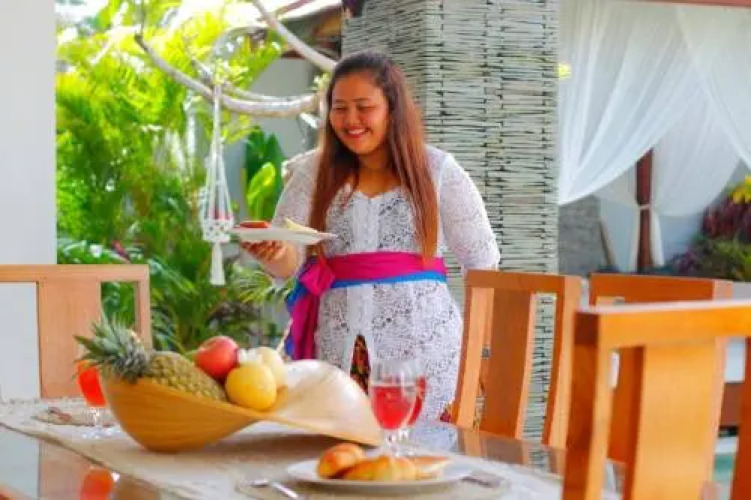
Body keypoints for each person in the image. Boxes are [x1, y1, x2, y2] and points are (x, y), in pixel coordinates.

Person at [241, 50, 500, 421]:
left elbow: (482, 263)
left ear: (392, 108)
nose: (351, 120)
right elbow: (290, 262)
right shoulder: (312, 172)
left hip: (428, 350)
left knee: (421, 450)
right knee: (340, 447)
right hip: (335, 347)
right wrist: (274, 253)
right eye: (339, 108)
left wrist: (482, 354)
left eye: (364, 107)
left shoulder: (438, 170)